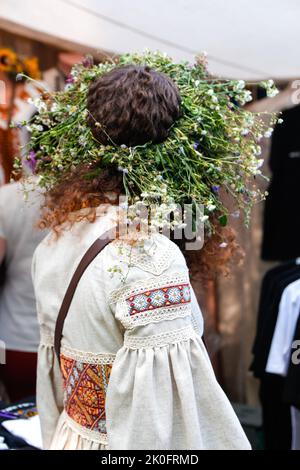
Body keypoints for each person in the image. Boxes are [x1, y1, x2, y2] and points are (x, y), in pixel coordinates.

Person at [31, 61, 251, 450]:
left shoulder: (58, 239)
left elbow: (51, 376)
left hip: (71, 438)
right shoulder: (149, 255)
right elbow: (161, 416)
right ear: (175, 149)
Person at [0, 179, 45, 401]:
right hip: (69, 342)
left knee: (18, 417)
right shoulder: (92, 198)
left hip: (15, 339)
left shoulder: (6, 198)